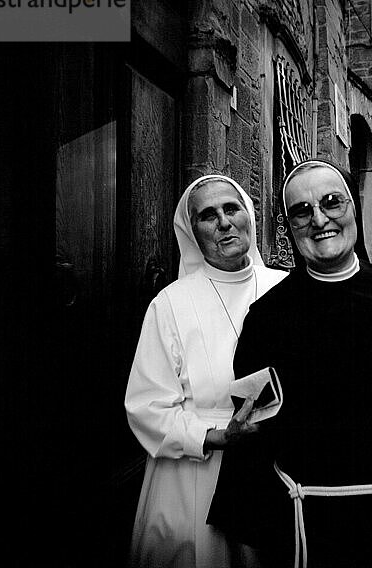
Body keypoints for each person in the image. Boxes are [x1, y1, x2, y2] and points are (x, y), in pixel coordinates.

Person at [208, 159, 372, 568]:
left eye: (332, 202)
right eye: (302, 211)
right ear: (290, 226)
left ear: (353, 208)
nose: (320, 219)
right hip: (308, 532)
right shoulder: (267, 318)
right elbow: (253, 437)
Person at [124, 175, 287, 568]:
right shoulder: (171, 304)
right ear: (193, 232)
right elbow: (146, 406)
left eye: (231, 209)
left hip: (276, 466)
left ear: (247, 214)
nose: (223, 222)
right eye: (208, 215)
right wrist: (216, 436)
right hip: (194, 477)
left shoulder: (286, 289)